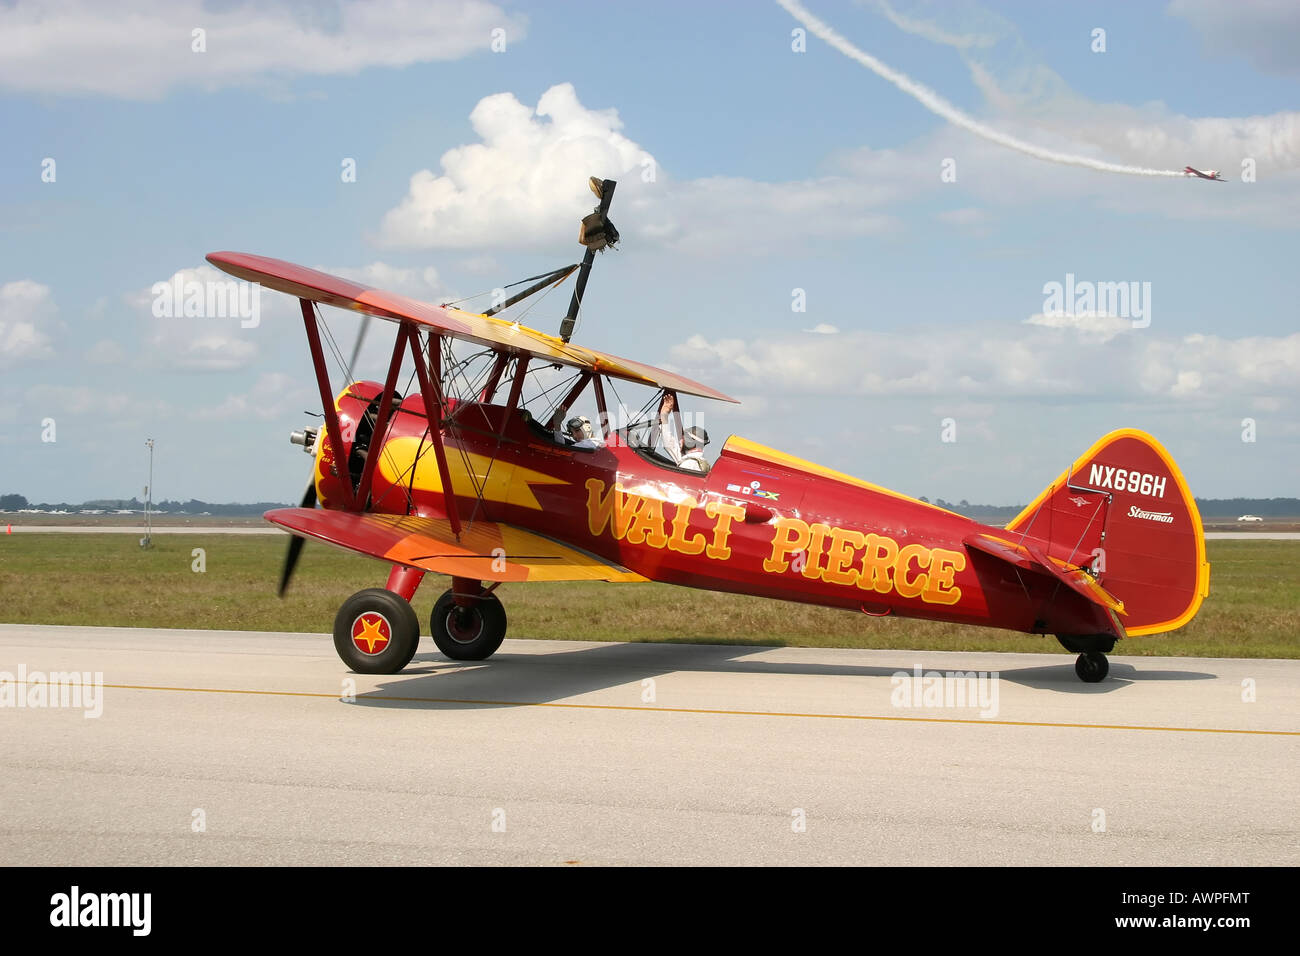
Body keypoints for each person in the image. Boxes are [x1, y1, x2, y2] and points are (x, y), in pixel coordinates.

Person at [656, 393, 710, 474]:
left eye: (683, 437)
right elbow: (669, 444)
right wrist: (664, 414)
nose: (680, 440)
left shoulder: (689, 464)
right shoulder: (694, 460)